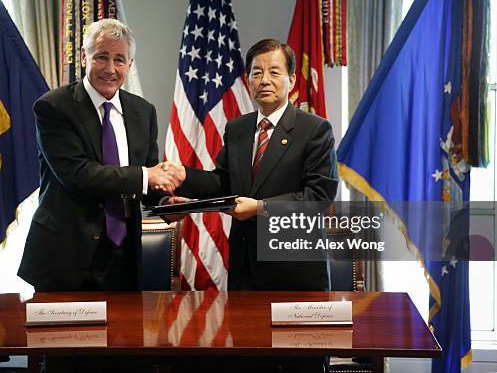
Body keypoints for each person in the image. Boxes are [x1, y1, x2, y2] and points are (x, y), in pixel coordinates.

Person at [18, 18, 182, 292]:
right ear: (85, 57)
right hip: (64, 257)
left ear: (129, 66)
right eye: (101, 57)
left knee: (124, 335)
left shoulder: (143, 111)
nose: (110, 68)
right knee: (64, 337)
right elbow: (79, 175)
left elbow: (146, 180)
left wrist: (167, 201)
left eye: (120, 60)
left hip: (123, 258)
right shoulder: (53, 107)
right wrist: (147, 176)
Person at [170, 38, 339, 292]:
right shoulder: (237, 128)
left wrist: (260, 208)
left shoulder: (315, 129)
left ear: (292, 80)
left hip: (295, 271)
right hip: (244, 269)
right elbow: (223, 183)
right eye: (257, 73)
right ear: (248, 80)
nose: (264, 80)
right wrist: (185, 177)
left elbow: (318, 197)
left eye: (274, 72)